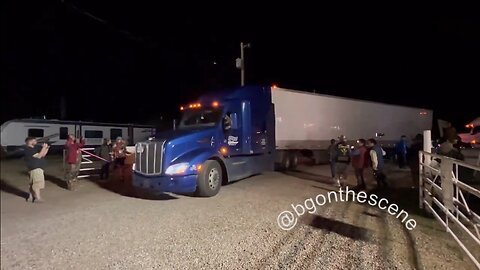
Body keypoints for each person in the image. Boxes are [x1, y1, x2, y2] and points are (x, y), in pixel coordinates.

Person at [24, 137, 50, 202]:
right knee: (37, 183)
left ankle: (30, 197)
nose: (36, 141)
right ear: (29, 142)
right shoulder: (29, 149)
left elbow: (42, 155)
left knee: (33, 183)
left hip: (35, 168)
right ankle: (38, 198)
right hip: (36, 168)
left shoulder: (32, 149)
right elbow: (39, 156)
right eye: (34, 140)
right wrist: (43, 148)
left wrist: (46, 148)